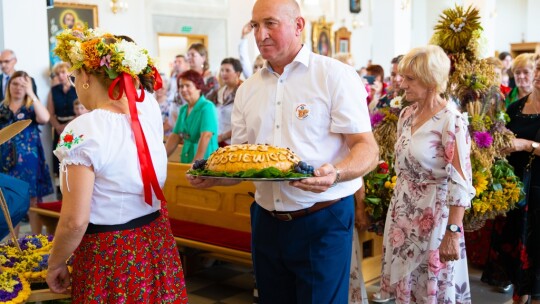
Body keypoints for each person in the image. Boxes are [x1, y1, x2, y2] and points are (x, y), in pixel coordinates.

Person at [188, 0, 379, 302]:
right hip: (266, 221)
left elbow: (367, 148)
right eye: (255, 25)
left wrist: (337, 172)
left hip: (322, 218)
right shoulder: (248, 89)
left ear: (298, 25)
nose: (260, 34)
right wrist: (213, 177)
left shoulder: (334, 76)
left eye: (270, 23)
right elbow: (242, 163)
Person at [46, 28, 188, 302]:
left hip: (110, 253)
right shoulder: (147, 119)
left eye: (75, 77)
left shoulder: (85, 129)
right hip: (155, 242)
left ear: (86, 77)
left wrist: (56, 262)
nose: (75, 83)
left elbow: (75, 221)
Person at [378, 45, 475, 304]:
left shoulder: (450, 120)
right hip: (403, 213)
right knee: (405, 292)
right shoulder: (407, 114)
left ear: (431, 80)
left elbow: (461, 183)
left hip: (434, 218)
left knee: (429, 293)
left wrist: (452, 233)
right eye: (402, 76)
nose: (401, 83)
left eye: (410, 78)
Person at [483, 55, 540, 304]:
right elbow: (503, 140)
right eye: (538, 68)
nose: (537, 75)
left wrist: (526, 145)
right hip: (516, 192)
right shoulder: (516, 107)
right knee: (517, 258)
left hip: (538, 192)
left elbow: (522, 144)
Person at [0, 71, 53, 235]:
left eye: (23, 84)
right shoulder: (2, 107)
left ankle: (36, 240)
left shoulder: (31, 106)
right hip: (5, 160)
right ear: (9, 86)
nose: (18, 88)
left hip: (29, 160)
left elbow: (45, 118)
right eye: (14, 84)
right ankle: (13, 243)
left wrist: (31, 93)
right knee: (11, 201)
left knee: (33, 200)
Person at [165, 69, 218, 163]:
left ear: (198, 87)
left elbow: (206, 135)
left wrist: (195, 163)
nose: (183, 89)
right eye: (181, 86)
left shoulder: (207, 107)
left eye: (187, 85)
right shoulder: (183, 109)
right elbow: (175, 136)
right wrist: (162, 157)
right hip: (187, 156)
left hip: (205, 160)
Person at [47, 62, 77, 185]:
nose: (60, 75)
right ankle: (61, 190)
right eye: (58, 73)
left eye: (63, 72)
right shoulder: (53, 90)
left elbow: (83, 109)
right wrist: (58, 127)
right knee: (60, 158)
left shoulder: (77, 88)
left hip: (75, 127)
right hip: (59, 129)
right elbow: (50, 112)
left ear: (70, 72)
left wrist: (66, 126)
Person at [213, 57, 243, 146]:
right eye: (222, 70)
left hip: (235, 142)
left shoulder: (243, 91)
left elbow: (245, 123)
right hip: (218, 139)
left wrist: (223, 137)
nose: (223, 73)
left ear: (237, 73)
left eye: (227, 70)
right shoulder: (220, 91)